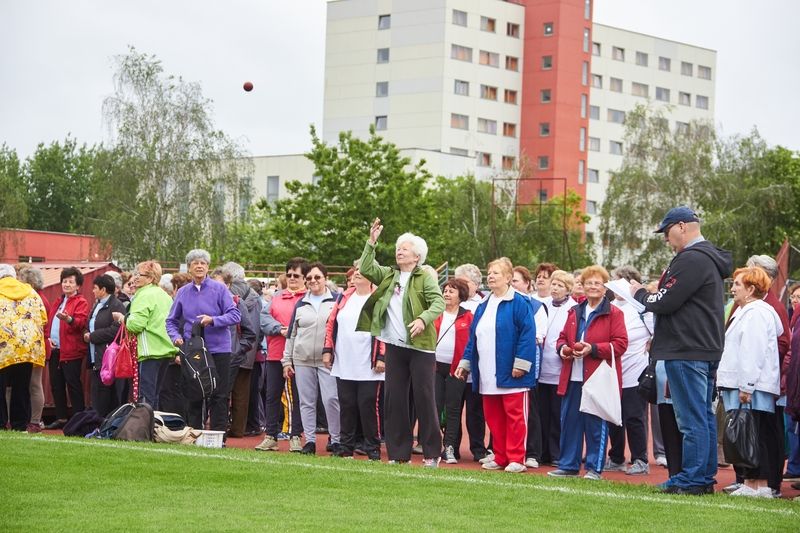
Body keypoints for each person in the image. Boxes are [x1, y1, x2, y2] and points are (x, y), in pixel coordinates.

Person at [630, 206, 732, 495]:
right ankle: (700, 476)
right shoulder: (707, 258)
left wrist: (639, 293)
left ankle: (694, 478)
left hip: (686, 348)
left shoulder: (691, 259)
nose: (665, 239)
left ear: (682, 227)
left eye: (666, 231)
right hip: (702, 347)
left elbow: (666, 300)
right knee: (702, 416)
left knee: (691, 418)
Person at [357, 218, 445, 466]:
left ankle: (431, 454)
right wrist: (371, 243)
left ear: (417, 256)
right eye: (398, 247)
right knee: (394, 400)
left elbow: (437, 303)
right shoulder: (388, 275)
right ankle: (398, 454)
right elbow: (365, 268)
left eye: (404, 248)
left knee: (424, 398)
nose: (399, 251)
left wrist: (422, 319)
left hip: (421, 348)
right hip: (395, 346)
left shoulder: (425, 277)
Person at [455, 257, 537, 473]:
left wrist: (521, 364)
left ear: (508, 278)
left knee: (515, 416)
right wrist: (466, 363)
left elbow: (528, 335)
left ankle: (517, 458)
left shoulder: (520, 302)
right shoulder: (484, 304)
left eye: (496, 273)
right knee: (494, 417)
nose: (490, 276)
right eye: (489, 272)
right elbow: (474, 337)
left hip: (511, 372)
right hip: (487, 372)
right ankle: (500, 456)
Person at [548, 265, 628, 480]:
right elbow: (563, 337)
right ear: (581, 286)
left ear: (605, 288)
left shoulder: (614, 313)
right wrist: (563, 349)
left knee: (595, 424)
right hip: (573, 375)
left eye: (597, 283)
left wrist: (592, 349)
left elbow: (620, 344)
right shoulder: (574, 311)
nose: (592, 287)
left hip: (597, 378)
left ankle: (594, 468)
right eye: (588, 283)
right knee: (570, 423)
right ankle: (568, 465)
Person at [717, 267, 782, 497]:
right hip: (743, 383)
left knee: (756, 433)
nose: (732, 288)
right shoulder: (747, 311)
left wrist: (747, 386)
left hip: (750, 385)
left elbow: (751, 351)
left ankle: (761, 485)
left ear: (751, 289)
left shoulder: (756, 313)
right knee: (745, 433)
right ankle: (750, 481)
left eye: (737, 284)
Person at [166, 250, 241, 432]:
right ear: (189, 268)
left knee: (219, 395)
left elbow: (235, 315)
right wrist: (176, 338)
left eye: (203, 263)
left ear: (208, 267)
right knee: (194, 394)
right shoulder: (183, 292)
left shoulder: (220, 289)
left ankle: (218, 435)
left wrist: (213, 320)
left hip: (219, 349)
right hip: (193, 351)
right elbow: (171, 321)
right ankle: (194, 433)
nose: (199, 266)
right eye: (195, 263)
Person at [323, 267, 385, 460]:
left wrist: (382, 356)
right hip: (344, 361)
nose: (357, 273)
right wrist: (328, 350)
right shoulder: (344, 297)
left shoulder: (379, 299)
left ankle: (372, 446)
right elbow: (331, 324)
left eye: (362, 271)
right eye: (356, 270)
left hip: (368, 362)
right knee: (347, 404)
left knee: (367, 405)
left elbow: (385, 328)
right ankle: (345, 446)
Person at [280, 262, 340, 455]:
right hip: (302, 359)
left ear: (325, 278)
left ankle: (336, 440)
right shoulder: (301, 303)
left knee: (331, 399)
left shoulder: (337, 301)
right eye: (309, 278)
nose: (313, 281)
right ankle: (310, 441)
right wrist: (287, 361)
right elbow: (291, 334)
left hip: (327, 360)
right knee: (306, 401)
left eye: (317, 277)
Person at [605, 265, 654, 475]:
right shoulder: (608, 306)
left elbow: (658, 332)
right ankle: (616, 457)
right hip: (612, 370)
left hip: (635, 370)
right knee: (613, 416)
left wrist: (652, 341)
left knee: (634, 416)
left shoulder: (641, 308)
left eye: (618, 281)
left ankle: (640, 459)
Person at [255, 258, 307, 453]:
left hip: (299, 355)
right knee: (272, 396)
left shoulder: (307, 298)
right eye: (290, 274)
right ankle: (271, 435)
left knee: (297, 397)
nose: (292, 278)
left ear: (304, 277)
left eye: (297, 275)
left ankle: (295, 436)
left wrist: (291, 330)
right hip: (275, 353)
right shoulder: (276, 297)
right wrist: (280, 329)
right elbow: (263, 319)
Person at [115, 261, 179, 410]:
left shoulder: (143, 295)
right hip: (164, 350)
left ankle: (144, 430)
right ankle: (153, 428)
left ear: (150, 278)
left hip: (149, 350)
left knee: (145, 397)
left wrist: (121, 318)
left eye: (139, 274)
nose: (135, 277)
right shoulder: (164, 295)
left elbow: (136, 325)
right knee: (155, 395)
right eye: (135, 273)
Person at [434, 278, 484, 464]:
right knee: (435, 408)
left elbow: (473, 343)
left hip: (457, 370)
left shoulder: (468, 316)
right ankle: (433, 445)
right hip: (435, 367)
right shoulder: (435, 313)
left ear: (460, 295)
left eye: (451, 291)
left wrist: (467, 366)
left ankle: (449, 448)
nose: (447, 294)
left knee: (454, 410)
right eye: (445, 290)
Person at [211, 265, 258, 438]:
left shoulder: (236, 303)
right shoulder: (206, 301)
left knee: (222, 396)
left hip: (229, 357)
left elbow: (249, 332)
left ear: (228, 285)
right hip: (208, 356)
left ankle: (219, 434)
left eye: (219, 285)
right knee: (208, 394)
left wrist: (237, 351)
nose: (215, 289)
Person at [0, 264, 47, 431]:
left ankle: (2, 423)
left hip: (3, 346)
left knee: (2, 385)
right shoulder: (31, 291)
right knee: (22, 386)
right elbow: (43, 317)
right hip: (28, 346)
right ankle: (20, 424)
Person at [538, 269, 576, 466]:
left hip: (561, 369)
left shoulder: (574, 309)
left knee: (558, 414)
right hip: (541, 369)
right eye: (553, 284)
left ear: (568, 289)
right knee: (542, 412)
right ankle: (542, 451)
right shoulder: (543, 305)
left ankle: (556, 453)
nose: (555, 288)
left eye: (560, 285)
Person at [511, 265, 547, 469]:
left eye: (516, 281)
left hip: (528, 366)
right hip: (504, 364)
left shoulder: (536, 306)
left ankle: (532, 452)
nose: (512, 285)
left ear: (527, 284)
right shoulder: (501, 303)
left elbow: (537, 336)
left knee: (529, 409)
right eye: (511, 281)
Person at [45, 267, 89, 429]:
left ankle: (79, 419)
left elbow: (80, 323)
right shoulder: (58, 301)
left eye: (71, 282)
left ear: (78, 286)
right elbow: (50, 323)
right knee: (56, 385)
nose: (67, 284)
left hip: (71, 352)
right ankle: (61, 418)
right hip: (55, 350)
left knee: (73, 385)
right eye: (64, 281)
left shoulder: (81, 302)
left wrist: (69, 319)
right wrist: (49, 338)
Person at [84, 274, 128, 417]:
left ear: (103, 290)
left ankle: (106, 422)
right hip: (95, 356)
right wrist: (87, 333)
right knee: (97, 391)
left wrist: (92, 336)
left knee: (107, 393)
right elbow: (89, 324)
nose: (93, 291)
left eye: (95, 288)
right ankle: (97, 423)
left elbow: (116, 330)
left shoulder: (117, 306)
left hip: (108, 358)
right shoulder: (97, 304)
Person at [15, 266, 50, 433]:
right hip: (32, 346)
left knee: (35, 384)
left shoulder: (36, 298)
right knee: (29, 384)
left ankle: (35, 420)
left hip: (36, 346)